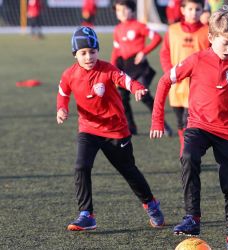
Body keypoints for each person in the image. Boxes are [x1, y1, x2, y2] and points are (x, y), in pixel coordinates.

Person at [150, 5, 228, 250]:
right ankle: (192, 217)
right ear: (210, 38)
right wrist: (156, 119)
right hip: (198, 124)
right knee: (188, 156)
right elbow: (165, 81)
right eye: (225, 43)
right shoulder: (197, 59)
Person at [57, 26, 165, 231]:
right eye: (83, 53)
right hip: (88, 129)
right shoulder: (69, 74)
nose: (88, 56)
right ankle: (86, 214)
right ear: (75, 55)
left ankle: (150, 203)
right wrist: (61, 109)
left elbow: (124, 79)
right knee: (81, 166)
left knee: (129, 171)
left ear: (98, 51)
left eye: (92, 51)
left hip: (116, 131)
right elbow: (63, 93)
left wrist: (137, 88)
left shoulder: (108, 69)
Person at [111, 0, 172, 136]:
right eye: (119, 10)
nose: (122, 13)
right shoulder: (117, 30)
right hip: (124, 66)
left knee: (144, 95)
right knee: (122, 97)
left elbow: (157, 38)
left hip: (138, 65)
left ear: (132, 10)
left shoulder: (139, 26)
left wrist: (144, 52)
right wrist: (112, 69)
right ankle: (131, 128)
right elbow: (116, 51)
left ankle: (162, 124)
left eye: (125, 9)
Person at [159, 0, 210, 156]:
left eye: (197, 9)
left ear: (202, 11)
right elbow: (165, 53)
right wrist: (169, 72)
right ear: (182, 10)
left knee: (189, 121)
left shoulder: (208, 31)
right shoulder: (173, 30)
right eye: (190, 9)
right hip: (176, 85)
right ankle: (186, 149)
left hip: (196, 86)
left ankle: (187, 152)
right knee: (180, 121)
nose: (193, 12)